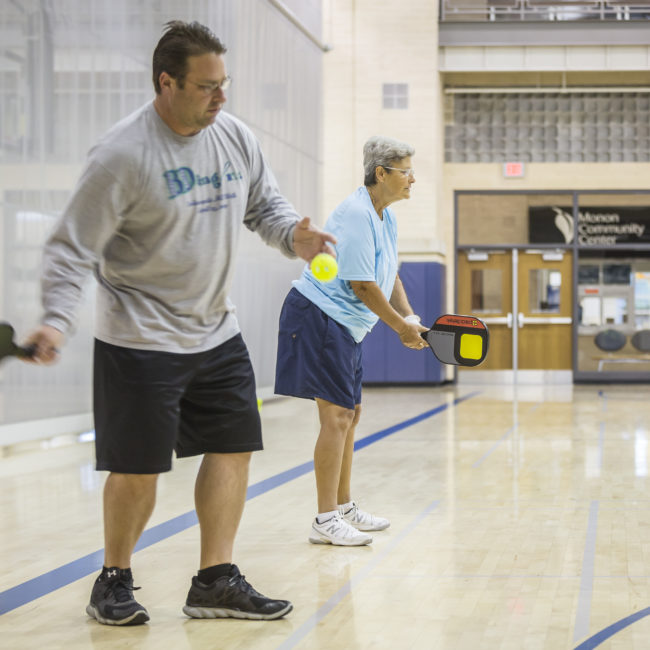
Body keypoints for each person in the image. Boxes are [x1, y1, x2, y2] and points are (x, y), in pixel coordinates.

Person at [22, 20, 335, 625]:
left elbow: (264, 206)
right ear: (167, 83)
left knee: (233, 447)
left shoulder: (234, 136)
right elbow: (70, 248)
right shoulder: (121, 156)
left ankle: (215, 578)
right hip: (139, 337)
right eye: (207, 87)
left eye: (225, 85)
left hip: (215, 328)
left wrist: (294, 235)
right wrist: (56, 319)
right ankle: (114, 577)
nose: (221, 98)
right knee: (137, 467)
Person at [274, 136, 428, 546]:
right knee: (337, 416)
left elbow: (388, 274)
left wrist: (408, 315)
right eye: (406, 171)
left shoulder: (386, 216)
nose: (413, 179)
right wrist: (400, 329)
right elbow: (361, 284)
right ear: (381, 173)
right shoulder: (358, 213)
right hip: (319, 316)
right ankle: (325, 519)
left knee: (351, 413)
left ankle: (342, 507)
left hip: (346, 325)